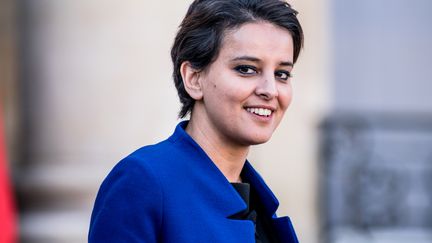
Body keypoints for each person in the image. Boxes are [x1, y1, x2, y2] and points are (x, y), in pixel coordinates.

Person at [89, 0, 303, 242]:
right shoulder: (142, 180)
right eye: (246, 69)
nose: (270, 90)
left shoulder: (258, 201)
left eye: (281, 74)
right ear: (193, 78)